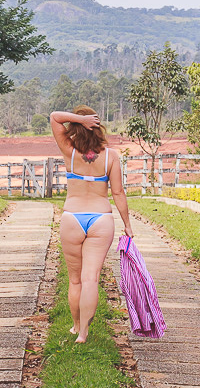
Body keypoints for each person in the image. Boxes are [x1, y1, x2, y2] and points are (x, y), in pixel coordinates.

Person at [50, 105, 133, 343]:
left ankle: (76, 326)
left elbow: (55, 118)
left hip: (72, 218)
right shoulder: (111, 156)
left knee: (75, 280)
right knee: (91, 279)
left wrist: (79, 119)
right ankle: (84, 333)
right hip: (101, 219)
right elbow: (117, 192)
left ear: (77, 126)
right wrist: (127, 225)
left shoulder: (70, 151)